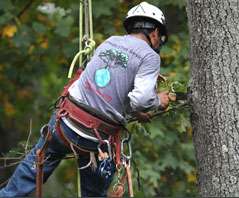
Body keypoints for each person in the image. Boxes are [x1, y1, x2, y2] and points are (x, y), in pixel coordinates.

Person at [0, 1, 169, 197]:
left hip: (64, 124)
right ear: (155, 32)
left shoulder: (109, 41)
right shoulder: (149, 56)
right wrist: (157, 102)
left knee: (31, 171)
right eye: (160, 38)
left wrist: (136, 113)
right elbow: (140, 99)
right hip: (95, 140)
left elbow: (111, 91)